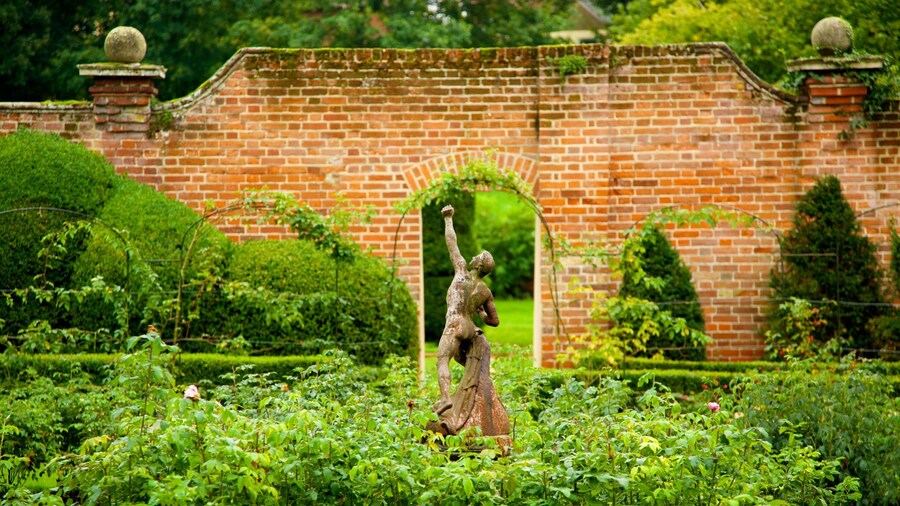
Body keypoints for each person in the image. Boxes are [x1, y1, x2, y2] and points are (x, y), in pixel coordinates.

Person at [434, 204, 499, 415]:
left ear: (477, 265)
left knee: (443, 360)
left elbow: (451, 243)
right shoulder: (485, 291)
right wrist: (481, 314)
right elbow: (495, 321)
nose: (473, 257)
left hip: (454, 324)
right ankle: (478, 385)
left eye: (477, 257)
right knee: (463, 360)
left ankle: (445, 400)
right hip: (470, 327)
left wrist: (448, 219)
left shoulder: (462, 271)